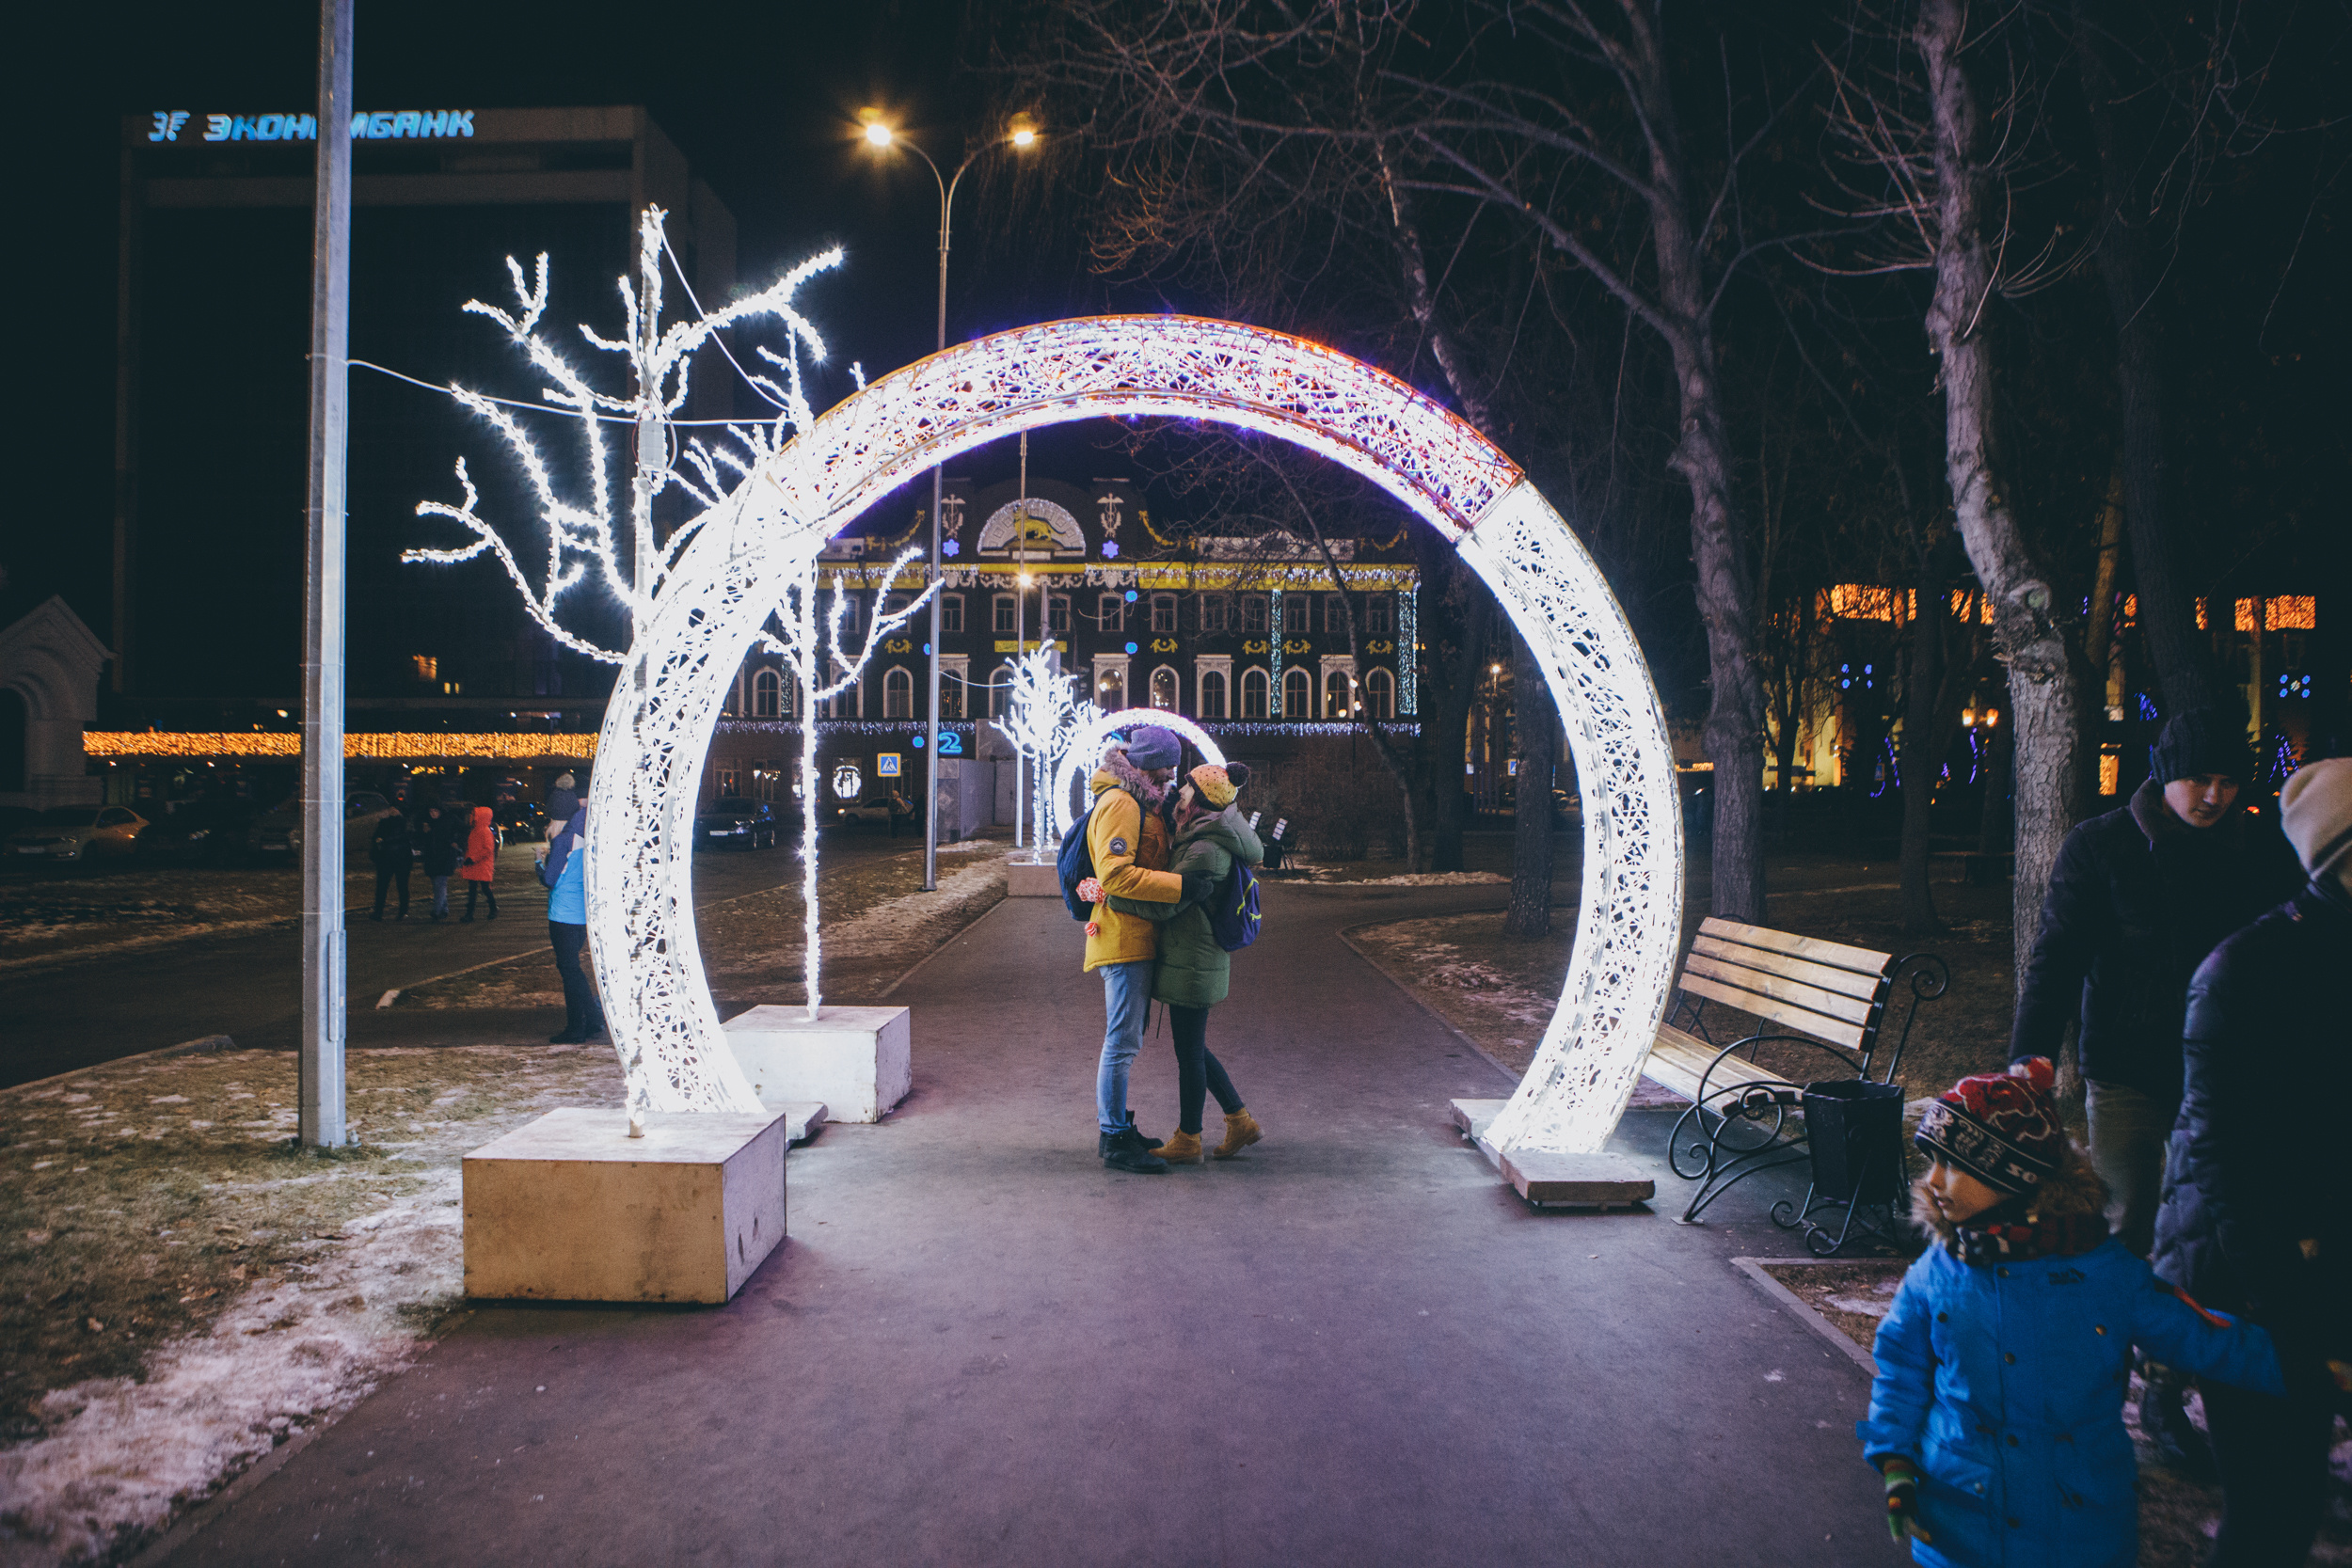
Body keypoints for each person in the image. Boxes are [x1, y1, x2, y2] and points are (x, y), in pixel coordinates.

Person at [1859, 1058, 2296, 1567]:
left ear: (2013, 1172)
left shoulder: (2104, 1273)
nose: (1932, 1181)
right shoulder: (1936, 1273)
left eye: (1952, 1164)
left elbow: (2200, 1335)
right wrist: (1896, 1462)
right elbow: (1900, 1371)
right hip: (1961, 1518)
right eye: (1931, 1162)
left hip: (2076, 1527)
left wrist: (2307, 1370)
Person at [2152, 756, 2352, 1566]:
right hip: (2252, 1279)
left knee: (2291, 1499)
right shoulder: (2246, 971)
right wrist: (2298, 1321)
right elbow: (2224, 1165)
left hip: (2320, 1267)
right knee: (2270, 1512)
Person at [1106, 762, 1264, 1163]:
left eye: (1187, 788)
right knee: (1193, 1048)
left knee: (1190, 1053)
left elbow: (1167, 908)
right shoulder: (1205, 835)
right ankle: (1239, 1120)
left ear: (1201, 799)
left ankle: (1189, 1139)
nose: (1179, 792)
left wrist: (1114, 897)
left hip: (1193, 962)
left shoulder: (1204, 850)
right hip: (1194, 959)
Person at [1076, 725, 1194, 1174]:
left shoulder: (1139, 802)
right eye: (1164, 771)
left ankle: (1119, 1127)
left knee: (1126, 1040)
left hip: (1136, 936)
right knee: (1121, 1043)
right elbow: (1115, 875)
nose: (1169, 780)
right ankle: (1113, 1137)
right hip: (1122, 938)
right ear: (1144, 765)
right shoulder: (1121, 804)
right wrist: (1181, 885)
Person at [537, 811, 603, 1044]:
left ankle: (576, 1028)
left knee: (569, 970)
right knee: (573, 969)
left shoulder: (563, 841)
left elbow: (549, 879)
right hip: (581, 916)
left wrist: (538, 861)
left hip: (562, 915)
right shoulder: (590, 842)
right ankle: (593, 1019)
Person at [367, 804, 412, 921]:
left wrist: (383, 840)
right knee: (386, 886)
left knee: (397, 886)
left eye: (395, 808)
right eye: (391, 808)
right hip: (390, 859)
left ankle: (399, 911)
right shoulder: (385, 822)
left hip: (397, 858)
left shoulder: (403, 823)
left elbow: (400, 837)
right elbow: (376, 837)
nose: (393, 810)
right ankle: (383, 911)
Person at [419, 800, 460, 922]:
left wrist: (455, 842)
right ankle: (444, 909)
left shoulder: (449, 820)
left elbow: (462, 829)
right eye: (431, 811)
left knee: (440, 883)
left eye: (435, 811)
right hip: (432, 858)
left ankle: (436, 910)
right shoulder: (428, 823)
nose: (433, 813)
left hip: (445, 857)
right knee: (437, 885)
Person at [457, 804, 500, 922]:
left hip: (482, 865)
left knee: (485, 889)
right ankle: (470, 913)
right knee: (473, 890)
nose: (471, 816)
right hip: (474, 864)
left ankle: (492, 909)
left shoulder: (484, 831)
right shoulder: (475, 830)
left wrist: (472, 858)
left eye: (474, 815)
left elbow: (488, 849)